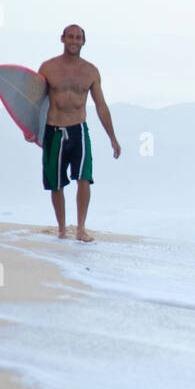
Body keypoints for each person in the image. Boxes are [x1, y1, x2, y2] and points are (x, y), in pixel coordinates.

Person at [30, 24, 121, 241]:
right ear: (62, 39)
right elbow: (34, 102)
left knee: (84, 178)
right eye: (70, 37)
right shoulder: (48, 68)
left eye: (78, 38)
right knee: (56, 183)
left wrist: (112, 138)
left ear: (83, 42)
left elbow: (101, 106)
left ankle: (81, 228)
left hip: (79, 129)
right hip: (54, 130)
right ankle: (62, 228)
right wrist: (32, 130)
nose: (74, 41)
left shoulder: (90, 71)